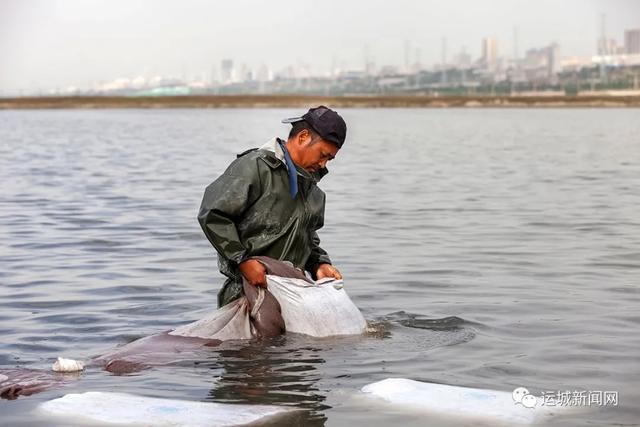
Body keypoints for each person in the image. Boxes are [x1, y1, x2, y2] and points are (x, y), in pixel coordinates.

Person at [198, 106, 347, 307]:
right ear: (303, 137)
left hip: (293, 298)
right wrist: (242, 261)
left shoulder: (314, 192)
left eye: (329, 159)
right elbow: (213, 214)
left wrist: (320, 264)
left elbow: (307, 238)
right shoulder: (255, 167)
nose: (323, 164)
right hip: (246, 294)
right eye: (322, 154)